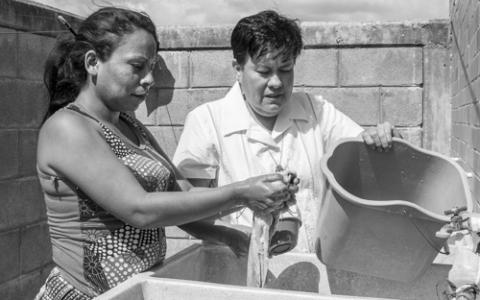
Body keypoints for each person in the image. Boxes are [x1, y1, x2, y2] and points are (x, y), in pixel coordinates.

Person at [35, 7, 296, 300]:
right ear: (93, 63)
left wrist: (232, 233)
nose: (149, 79)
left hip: (135, 291)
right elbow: (140, 209)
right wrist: (242, 194)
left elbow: (182, 198)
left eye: (152, 67)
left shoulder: (131, 126)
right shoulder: (68, 127)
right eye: (137, 66)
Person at [173, 10, 401, 253]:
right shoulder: (207, 121)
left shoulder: (316, 111)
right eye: (263, 72)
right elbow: (186, 209)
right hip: (235, 265)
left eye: (285, 69)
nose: (276, 83)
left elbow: (365, 153)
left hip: (311, 268)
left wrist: (383, 139)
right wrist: (234, 238)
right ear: (238, 69)